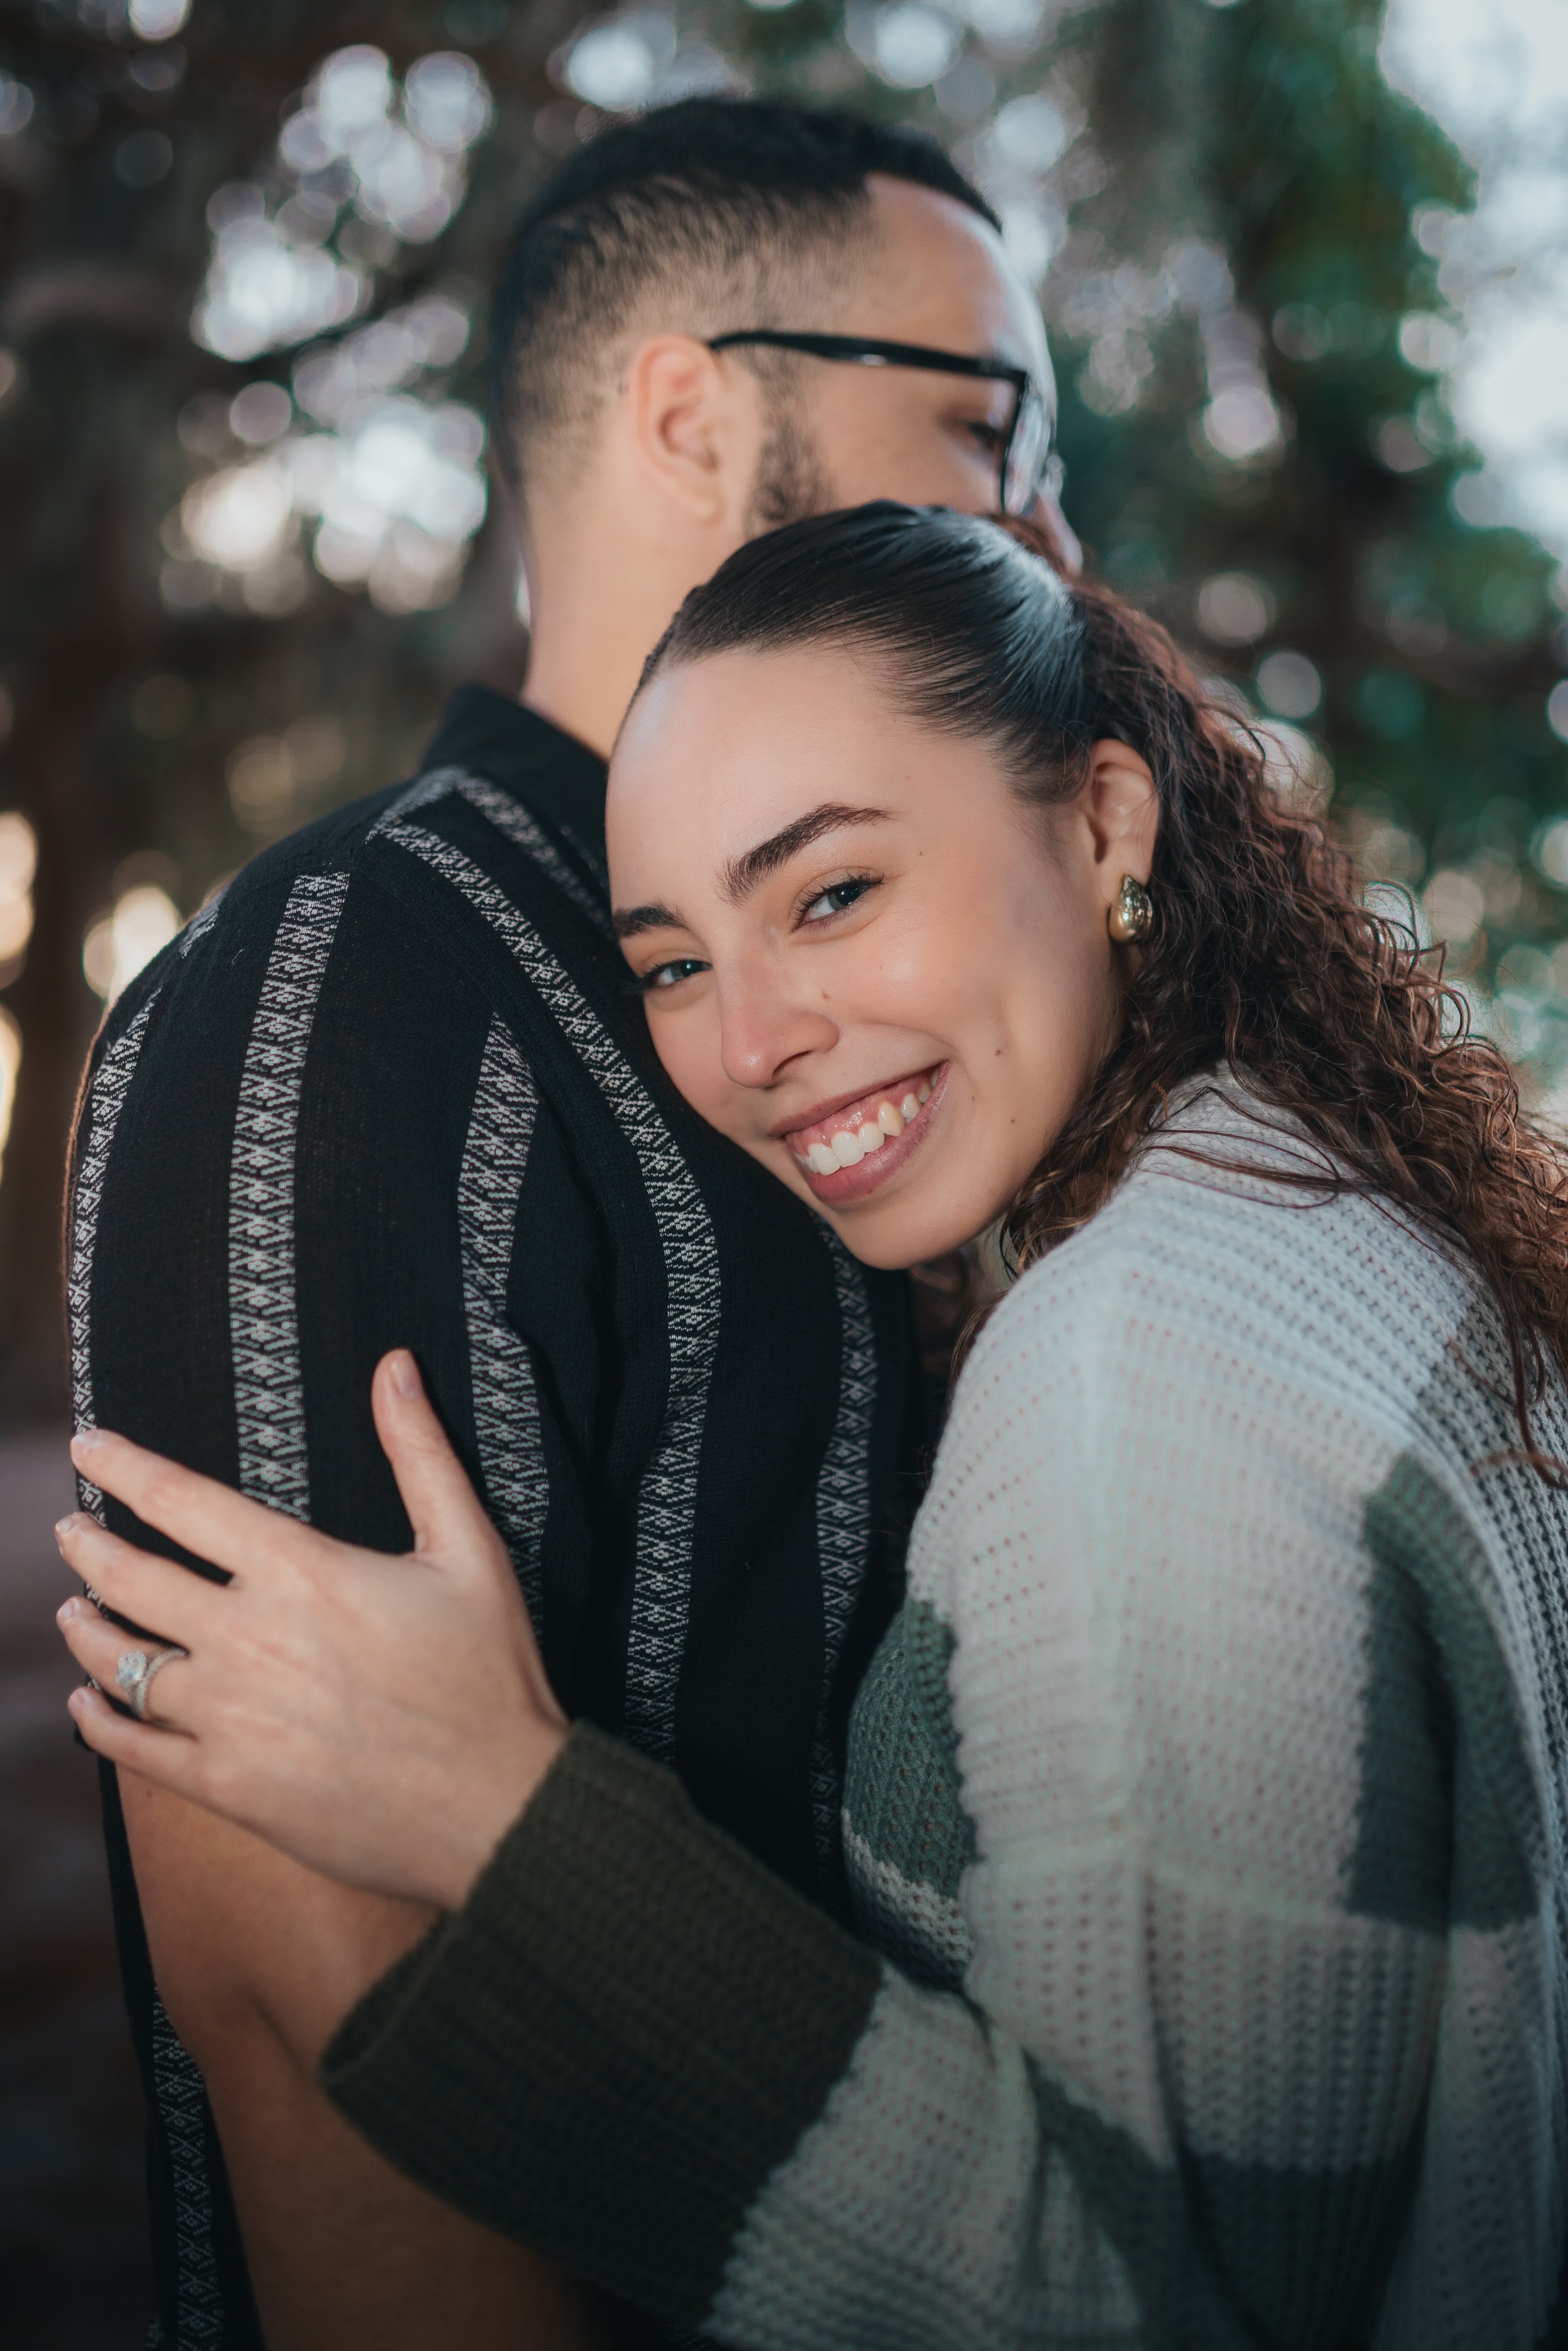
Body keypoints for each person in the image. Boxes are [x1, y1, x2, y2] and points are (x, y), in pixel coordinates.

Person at [61, 504, 1568, 2349]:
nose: (753, 1039)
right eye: (675, 963)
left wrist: (502, 1815)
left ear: (1104, 822)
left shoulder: (1128, 1376)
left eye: (832, 894)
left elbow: (1148, 2311)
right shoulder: (1314, 1214)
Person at [65, 102, 1071, 2351]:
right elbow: (310, 2015)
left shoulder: (905, 1017)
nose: (1046, 528)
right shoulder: (347, 987)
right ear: (697, 416)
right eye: (990, 428)